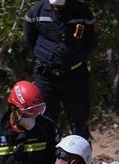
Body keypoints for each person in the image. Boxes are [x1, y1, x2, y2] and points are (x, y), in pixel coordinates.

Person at [23, 0, 98, 139]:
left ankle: (80, 158)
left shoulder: (83, 13)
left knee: (79, 123)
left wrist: (71, 59)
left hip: (75, 77)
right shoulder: (35, 12)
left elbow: (91, 43)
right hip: (46, 77)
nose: (58, 8)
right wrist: (48, 59)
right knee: (45, 123)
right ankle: (47, 159)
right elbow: (29, 40)